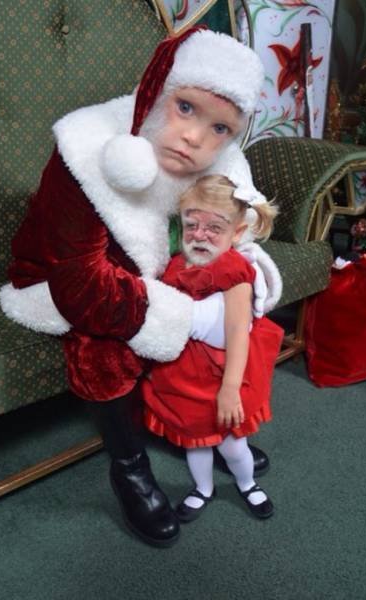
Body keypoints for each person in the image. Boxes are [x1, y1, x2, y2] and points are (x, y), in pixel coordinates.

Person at [0, 26, 282, 547]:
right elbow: (80, 285)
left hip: (153, 269)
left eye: (220, 127)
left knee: (229, 312)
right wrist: (185, 316)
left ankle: (193, 425)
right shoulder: (84, 148)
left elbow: (235, 241)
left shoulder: (223, 164)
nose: (195, 138)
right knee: (103, 347)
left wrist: (236, 281)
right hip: (61, 279)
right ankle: (129, 465)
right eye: (186, 108)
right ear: (156, 92)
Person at [142, 175, 284, 522]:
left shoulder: (234, 271)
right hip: (187, 374)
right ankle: (203, 488)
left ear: (236, 232)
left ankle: (247, 483)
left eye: (214, 228)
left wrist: (230, 389)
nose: (200, 235)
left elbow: (237, 332)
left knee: (233, 445)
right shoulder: (176, 264)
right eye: (192, 225)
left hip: (223, 372)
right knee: (196, 441)